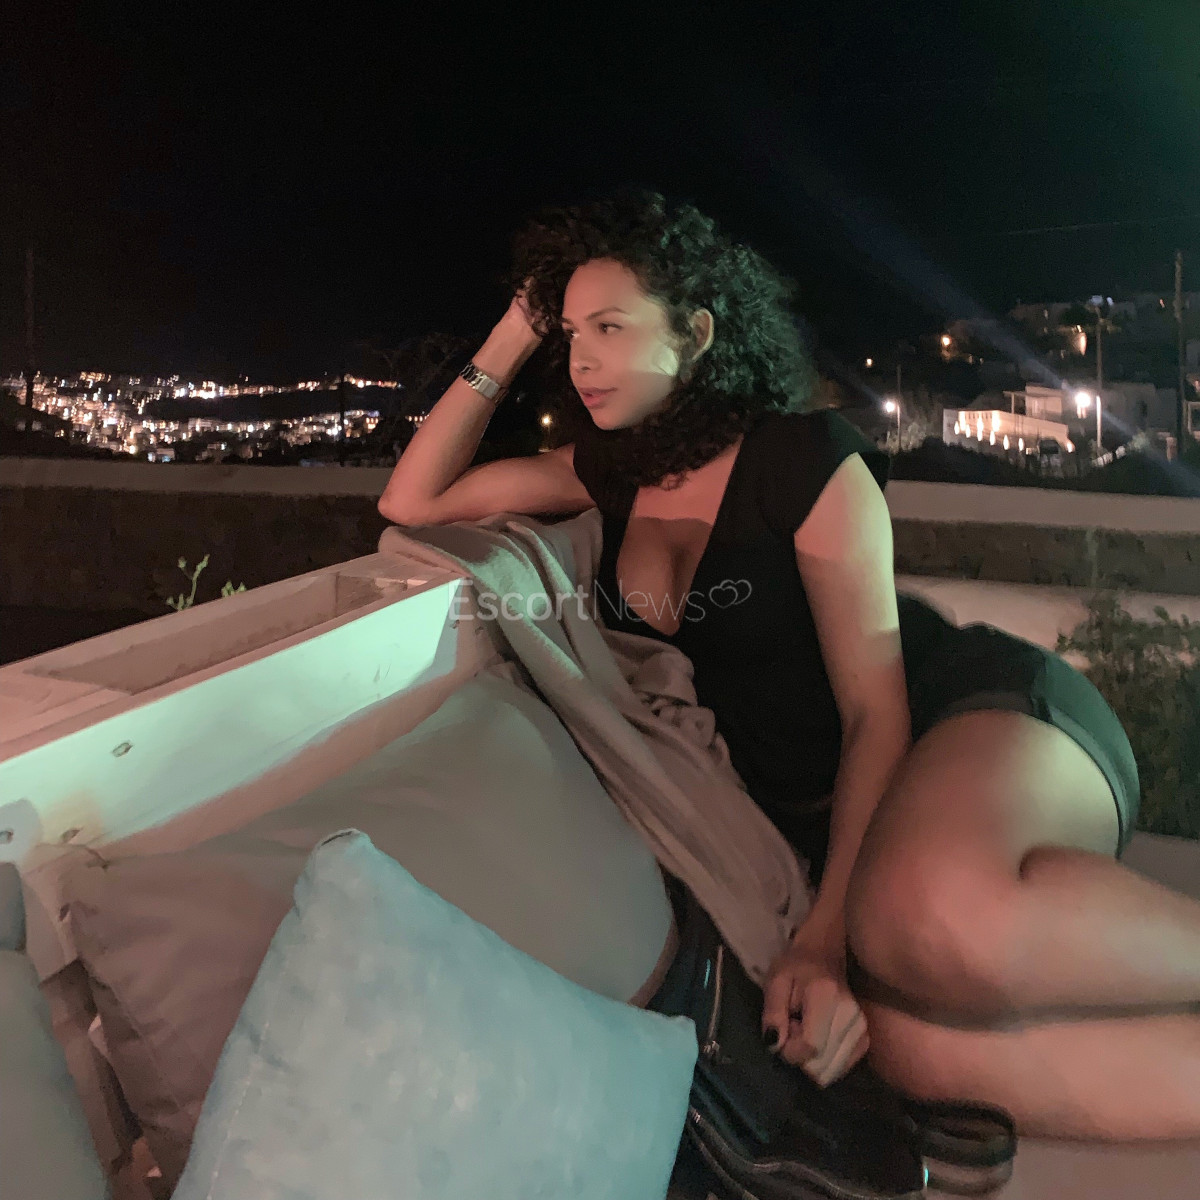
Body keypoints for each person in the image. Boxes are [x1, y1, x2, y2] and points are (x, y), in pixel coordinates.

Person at [378, 189, 1200, 1141]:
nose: (581, 359)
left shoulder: (805, 461)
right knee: (905, 1049)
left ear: (695, 334)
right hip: (843, 814)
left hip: (971, 719)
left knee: (921, 920)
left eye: (609, 327)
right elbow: (412, 502)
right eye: (568, 334)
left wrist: (824, 940)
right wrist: (510, 334)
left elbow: (875, 714)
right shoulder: (604, 474)